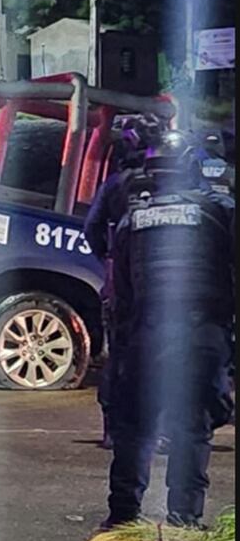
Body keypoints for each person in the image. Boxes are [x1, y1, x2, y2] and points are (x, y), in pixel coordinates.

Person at [103, 129, 235, 531]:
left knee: (135, 428)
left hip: (148, 334)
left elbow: (120, 289)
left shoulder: (134, 216)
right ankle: (185, 519)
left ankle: (123, 516)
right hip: (202, 334)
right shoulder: (217, 212)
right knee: (192, 428)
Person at [84, 116, 153, 450]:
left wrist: (109, 258)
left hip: (120, 278)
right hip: (156, 281)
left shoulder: (114, 184)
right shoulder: (169, 185)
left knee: (120, 352)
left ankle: (114, 427)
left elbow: (91, 228)